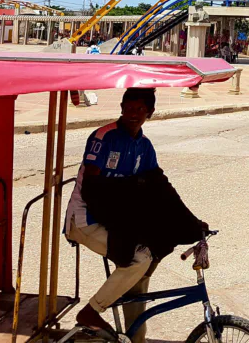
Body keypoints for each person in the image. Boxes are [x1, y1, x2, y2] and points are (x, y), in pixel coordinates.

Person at [66, 88, 207, 343]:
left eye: (140, 109)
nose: (133, 114)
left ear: (149, 112)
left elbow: (161, 187)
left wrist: (193, 223)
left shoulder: (145, 146)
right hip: (87, 219)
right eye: (129, 108)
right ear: (121, 108)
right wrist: (131, 197)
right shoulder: (104, 137)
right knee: (138, 259)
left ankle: (135, 338)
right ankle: (91, 311)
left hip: (118, 219)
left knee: (146, 266)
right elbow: (92, 190)